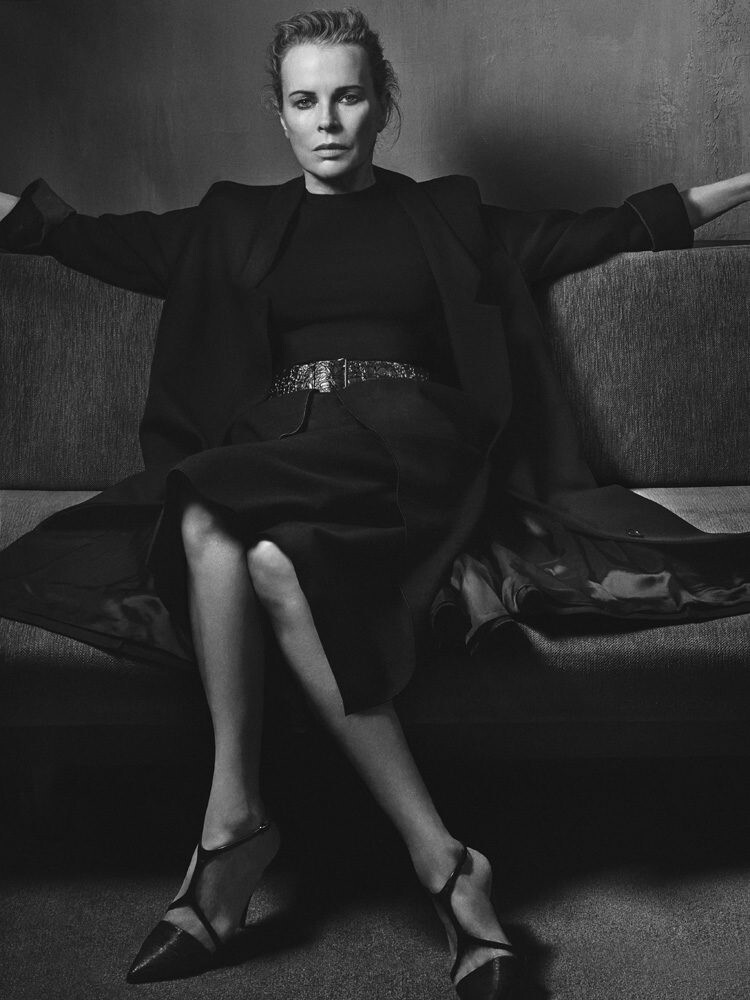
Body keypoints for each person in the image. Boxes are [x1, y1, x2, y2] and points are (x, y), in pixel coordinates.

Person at [0, 7, 749, 999]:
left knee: (204, 504)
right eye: (304, 101)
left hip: (410, 445)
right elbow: (76, 238)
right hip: (279, 450)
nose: (327, 121)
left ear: (382, 103)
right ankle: (437, 860)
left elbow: (606, 227)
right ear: (278, 113)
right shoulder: (229, 221)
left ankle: (229, 835)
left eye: (348, 96)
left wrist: (740, 186)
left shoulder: (447, 215)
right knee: (257, 552)